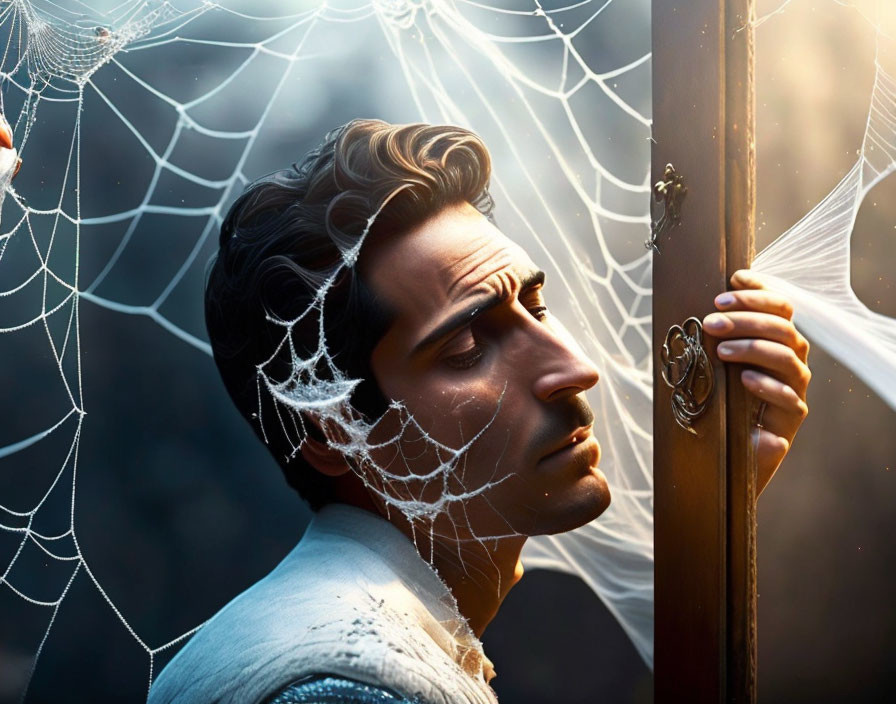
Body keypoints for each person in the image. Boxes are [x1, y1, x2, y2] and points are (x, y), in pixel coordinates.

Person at [105, 118, 803, 703]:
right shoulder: (347, 685)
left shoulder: (342, 631)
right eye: (468, 344)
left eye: (536, 306)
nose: (574, 369)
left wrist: (716, 525)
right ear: (335, 428)